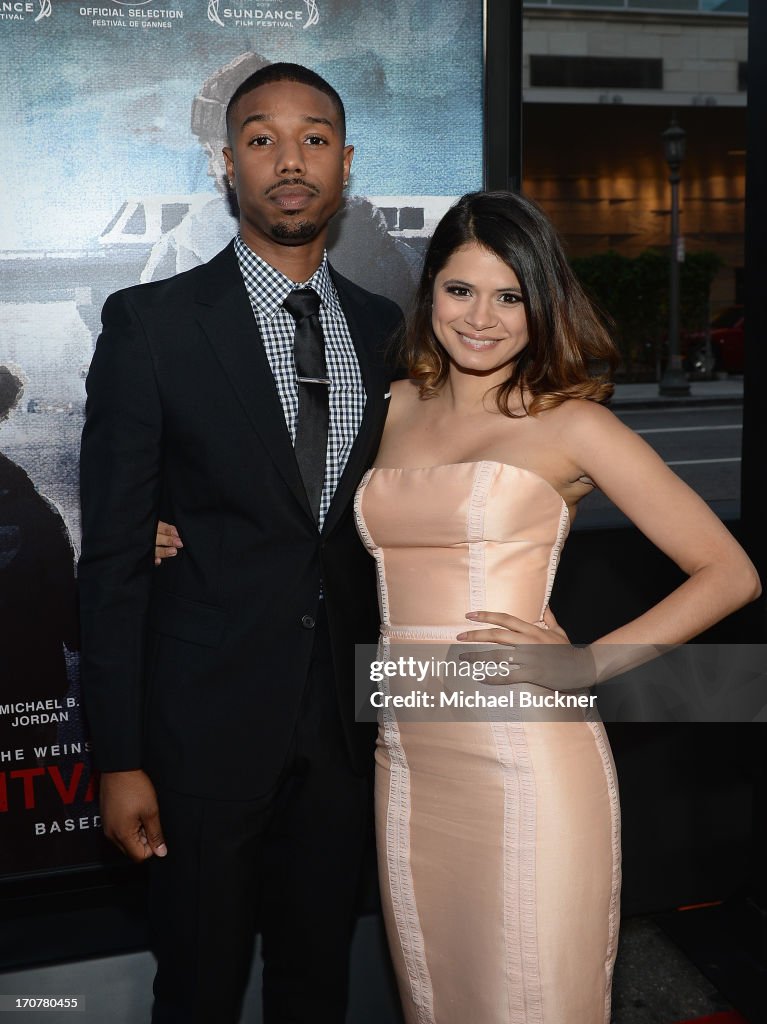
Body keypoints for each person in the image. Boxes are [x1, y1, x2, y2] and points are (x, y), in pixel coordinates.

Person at [152, 189, 761, 1020]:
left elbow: (727, 573)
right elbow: (290, 510)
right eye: (460, 290)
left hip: (523, 751)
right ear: (429, 290)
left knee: (532, 994)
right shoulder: (390, 406)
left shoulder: (572, 425)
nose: (483, 318)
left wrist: (586, 662)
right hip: (408, 754)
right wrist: (175, 525)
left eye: (510, 296)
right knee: (436, 996)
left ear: (540, 304)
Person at [79, 63, 401, 1024]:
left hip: (348, 735)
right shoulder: (152, 325)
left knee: (317, 987)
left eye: (313, 139)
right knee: (200, 988)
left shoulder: (392, 333)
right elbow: (112, 563)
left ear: (346, 164)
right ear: (227, 165)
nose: (288, 160)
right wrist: (120, 756)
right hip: (199, 732)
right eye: (262, 139)